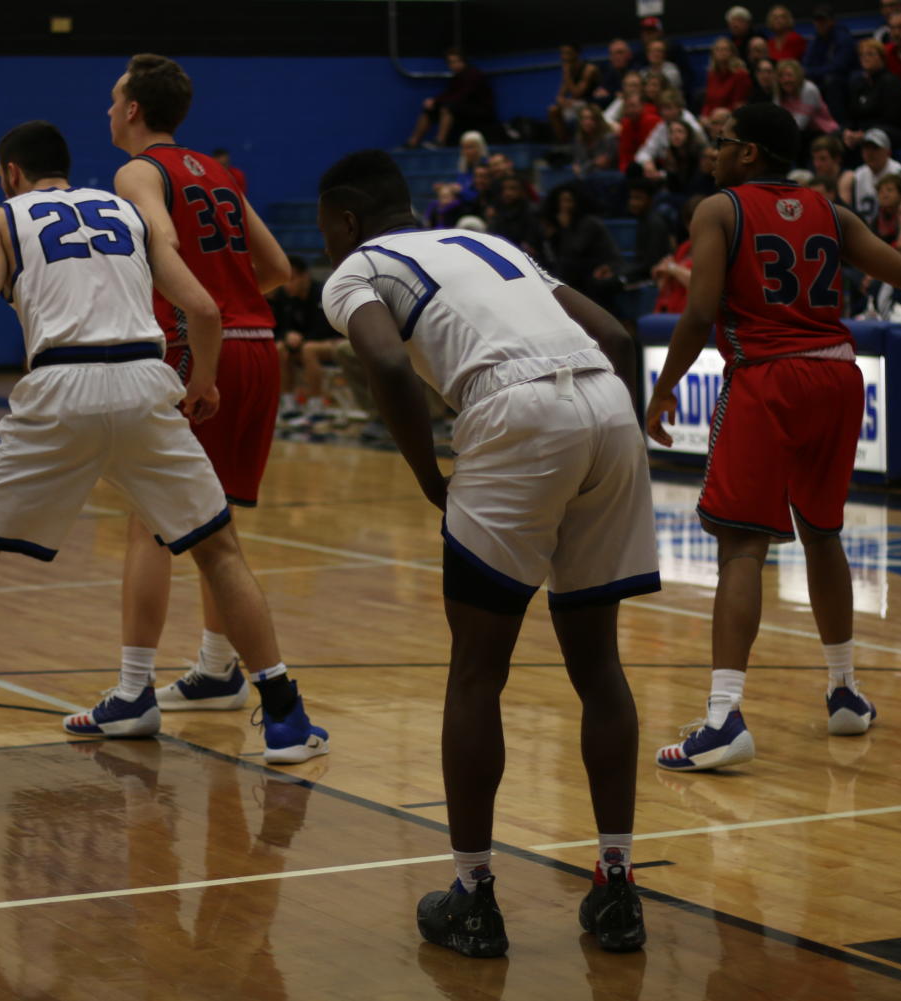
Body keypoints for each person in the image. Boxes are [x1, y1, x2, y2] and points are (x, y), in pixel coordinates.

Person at [0, 121, 327, 781]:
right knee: (218, 550)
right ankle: (284, 718)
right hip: (146, 383)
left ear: (8, 173)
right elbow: (201, 306)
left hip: (60, 385)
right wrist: (199, 383)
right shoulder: (130, 214)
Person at [316, 149, 654, 957]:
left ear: (347, 222)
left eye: (329, 231)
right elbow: (612, 331)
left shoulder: (355, 269)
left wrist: (427, 471)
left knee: (476, 670)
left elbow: (389, 362)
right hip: (605, 402)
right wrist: (609, 443)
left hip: (511, 412)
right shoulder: (493, 243)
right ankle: (616, 890)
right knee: (598, 665)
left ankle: (471, 894)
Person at [645, 103, 901, 772]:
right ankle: (843, 690)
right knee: (821, 532)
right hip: (837, 376)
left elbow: (699, 310)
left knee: (740, 546)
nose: (712, 153)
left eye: (722, 142)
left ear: (750, 154)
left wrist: (663, 385)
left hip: (768, 376)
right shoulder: (832, 213)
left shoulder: (718, 210)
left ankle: (722, 716)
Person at [72, 54, 317, 738]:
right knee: (216, 523)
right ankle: (215, 670)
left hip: (195, 347)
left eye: (112, 98)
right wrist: (229, 303)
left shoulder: (136, 171)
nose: (107, 109)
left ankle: (131, 690)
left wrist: (192, 313)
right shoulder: (219, 171)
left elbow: (164, 239)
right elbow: (273, 268)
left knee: (149, 522)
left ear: (132, 110)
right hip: (257, 349)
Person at [271, 255, 340, 423]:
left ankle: (317, 406)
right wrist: (288, 336)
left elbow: (325, 329)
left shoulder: (322, 293)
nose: (287, 285)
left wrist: (300, 339)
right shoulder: (286, 298)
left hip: (336, 342)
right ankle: (288, 404)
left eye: (292, 279)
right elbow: (279, 328)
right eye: (285, 280)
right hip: (306, 345)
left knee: (309, 350)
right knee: (280, 347)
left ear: (305, 276)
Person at [407, 48, 498, 148]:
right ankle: (413, 142)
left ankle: (439, 141)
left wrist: (438, 101)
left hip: (480, 110)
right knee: (429, 110)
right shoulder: (456, 77)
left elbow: (462, 95)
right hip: (462, 109)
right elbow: (449, 94)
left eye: (456, 61)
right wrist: (434, 101)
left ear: (463, 61)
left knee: (447, 108)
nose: (454, 65)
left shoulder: (474, 74)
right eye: (450, 62)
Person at [845, 39, 901, 153]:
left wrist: (865, 132)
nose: (865, 57)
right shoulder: (858, 84)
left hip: (899, 132)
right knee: (835, 138)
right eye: (862, 54)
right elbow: (852, 115)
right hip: (868, 130)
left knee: (875, 135)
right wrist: (848, 131)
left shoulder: (892, 82)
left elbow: (892, 118)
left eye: (870, 54)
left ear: (881, 58)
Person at [803, 4, 859, 114]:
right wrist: (808, 72)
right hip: (821, 77)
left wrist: (812, 71)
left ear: (832, 21)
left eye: (823, 20)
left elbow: (839, 66)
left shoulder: (843, 38)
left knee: (832, 81)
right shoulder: (815, 40)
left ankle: (840, 123)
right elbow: (807, 62)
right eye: (817, 21)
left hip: (845, 78)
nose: (820, 24)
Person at [549, 44, 602, 142]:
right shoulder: (569, 69)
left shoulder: (589, 69)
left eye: (568, 53)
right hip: (574, 104)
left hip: (591, 103)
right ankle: (564, 144)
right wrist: (563, 101)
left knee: (576, 110)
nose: (564, 57)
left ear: (576, 54)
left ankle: (578, 143)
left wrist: (567, 74)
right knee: (553, 110)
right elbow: (560, 95)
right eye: (562, 53)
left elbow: (577, 93)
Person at [702, 38, 754, 127]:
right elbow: (708, 102)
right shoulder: (712, 75)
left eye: (725, 49)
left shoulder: (740, 74)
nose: (721, 52)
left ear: (732, 53)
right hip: (713, 119)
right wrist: (704, 116)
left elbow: (739, 104)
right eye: (718, 49)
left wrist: (717, 117)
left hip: (731, 119)